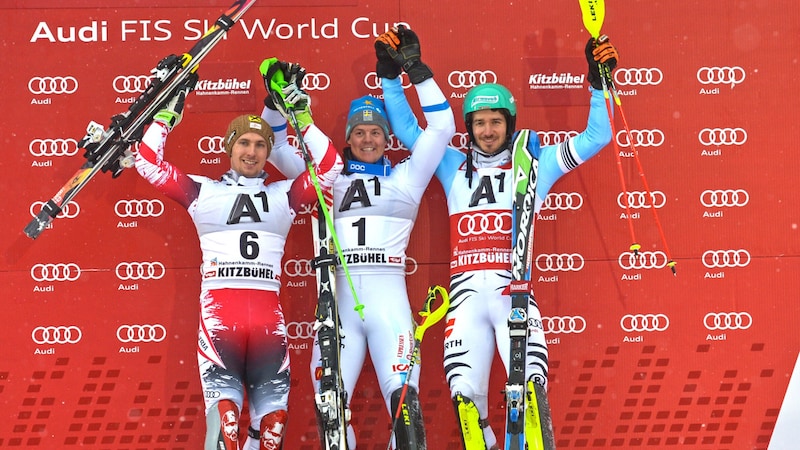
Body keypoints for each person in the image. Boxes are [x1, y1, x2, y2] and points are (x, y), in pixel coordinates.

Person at [382, 35, 620, 449]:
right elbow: (407, 129)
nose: (487, 130)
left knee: (531, 392)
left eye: (495, 121)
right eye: (478, 122)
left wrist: (599, 84)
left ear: (509, 121)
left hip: (516, 293)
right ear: (469, 127)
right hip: (465, 296)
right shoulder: (451, 163)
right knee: (465, 398)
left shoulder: (535, 161)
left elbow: (596, 137)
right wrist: (391, 76)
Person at [262, 25, 455, 449]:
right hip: (338, 304)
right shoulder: (327, 176)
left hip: (389, 301)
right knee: (329, 404)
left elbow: (441, 129)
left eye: (375, 132)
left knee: (405, 405)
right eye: (359, 132)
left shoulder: (407, 176)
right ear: (347, 138)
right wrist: (273, 104)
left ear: (388, 139)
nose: (367, 138)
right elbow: (275, 146)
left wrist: (415, 71)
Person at [134, 60, 343, 450]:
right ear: (229, 148)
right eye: (244, 142)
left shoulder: (265, 194)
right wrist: (167, 114)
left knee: (262, 426)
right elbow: (329, 166)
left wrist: (298, 114)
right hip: (242, 314)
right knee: (243, 424)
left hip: (246, 316)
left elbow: (331, 167)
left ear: (268, 150)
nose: (252, 151)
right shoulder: (220, 193)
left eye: (261, 144)